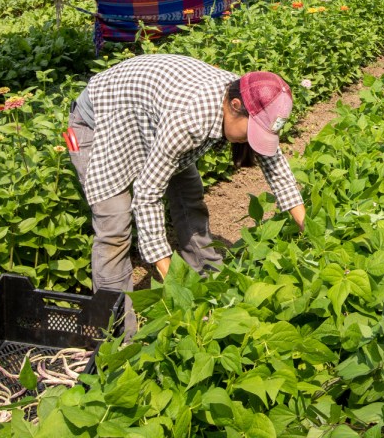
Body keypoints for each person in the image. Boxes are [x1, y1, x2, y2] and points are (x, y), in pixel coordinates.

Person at [64, 54, 305, 334]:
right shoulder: (190, 120)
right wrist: (173, 283)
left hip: (151, 119)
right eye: (252, 132)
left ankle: (208, 280)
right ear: (235, 106)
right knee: (114, 226)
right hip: (103, 122)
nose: (252, 140)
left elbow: (274, 163)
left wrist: (306, 228)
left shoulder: (244, 95)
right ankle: (115, 331)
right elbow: (147, 193)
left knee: (189, 195)